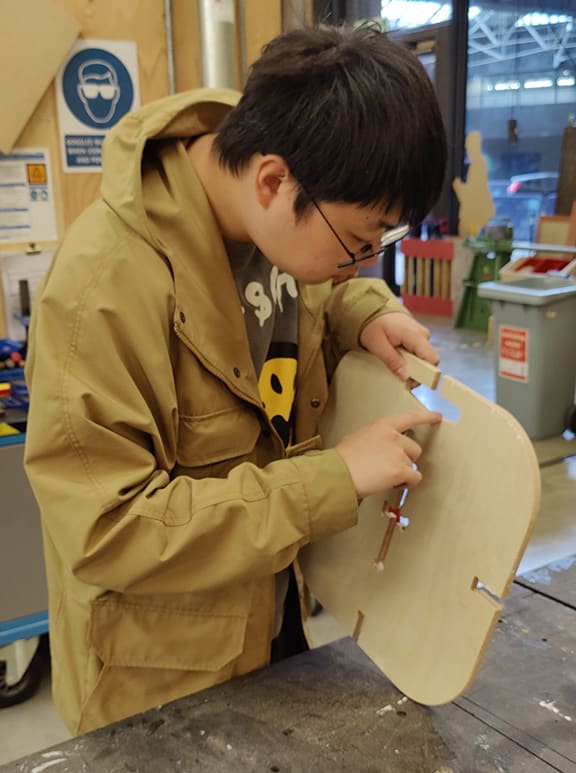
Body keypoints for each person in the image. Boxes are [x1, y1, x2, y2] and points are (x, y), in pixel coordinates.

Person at [24, 23, 447, 734]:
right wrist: (331, 480)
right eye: (360, 242)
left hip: (273, 620)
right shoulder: (101, 290)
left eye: (383, 243)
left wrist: (365, 307)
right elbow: (109, 530)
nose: (364, 261)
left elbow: (315, 289)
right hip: (159, 685)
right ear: (274, 181)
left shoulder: (281, 193)